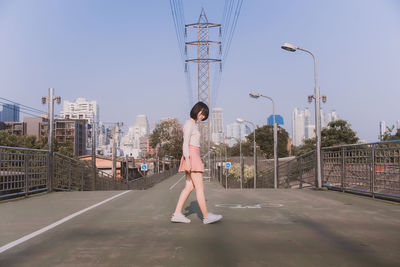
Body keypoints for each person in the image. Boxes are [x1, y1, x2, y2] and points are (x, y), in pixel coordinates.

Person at [171, 102, 223, 224]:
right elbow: (185, 143)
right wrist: (188, 160)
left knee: (189, 187)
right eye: (202, 113)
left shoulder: (193, 124)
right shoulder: (189, 124)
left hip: (193, 154)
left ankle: (177, 213)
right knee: (200, 188)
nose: (203, 117)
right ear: (196, 110)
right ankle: (206, 216)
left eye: (205, 115)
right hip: (192, 155)